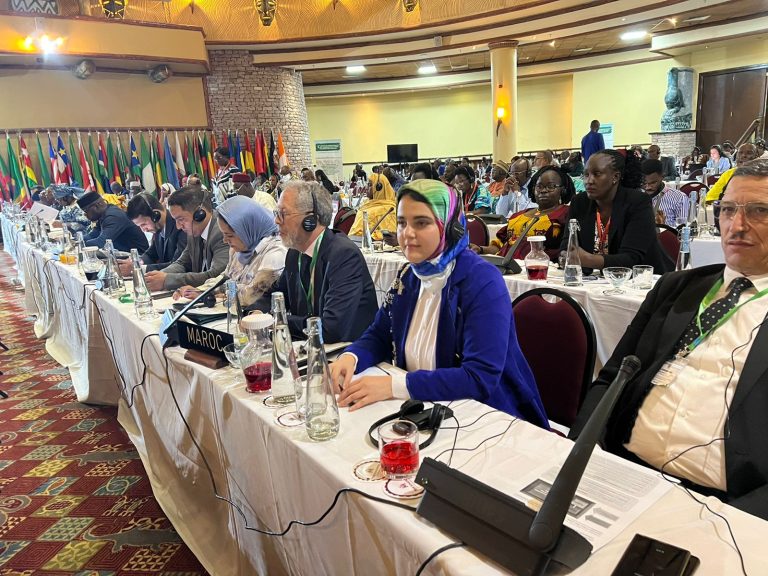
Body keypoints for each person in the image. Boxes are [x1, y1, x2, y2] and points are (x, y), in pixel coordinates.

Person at [570, 160, 768, 520]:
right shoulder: (676, 287)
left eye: (759, 211)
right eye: (727, 210)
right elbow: (610, 379)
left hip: (721, 506)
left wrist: (736, 523)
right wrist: (579, 458)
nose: (737, 225)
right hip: (619, 471)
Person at [329, 179, 548, 425]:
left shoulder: (482, 281)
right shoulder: (409, 276)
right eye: (401, 223)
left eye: (421, 223)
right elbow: (380, 335)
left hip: (487, 416)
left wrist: (395, 386)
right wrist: (352, 357)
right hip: (425, 409)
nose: (407, 233)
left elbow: (479, 378)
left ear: (450, 228)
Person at [252, 180, 378, 343]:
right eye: (276, 213)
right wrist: (256, 313)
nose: (276, 221)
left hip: (348, 351)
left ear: (310, 220)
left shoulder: (344, 255)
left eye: (283, 213)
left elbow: (331, 328)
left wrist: (274, 319)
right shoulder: (294, 253)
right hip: (310, 346)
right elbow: (275, 294)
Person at [560, 149, 674, 274]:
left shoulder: (638, 202)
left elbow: (632, 259)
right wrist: (565, 256)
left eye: (597, 174)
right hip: (593, 279)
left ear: (615, 177)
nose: (589, 181)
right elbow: (567, 245)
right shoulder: (579, 202)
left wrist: (588, 260)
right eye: (586, 175)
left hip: (641, 279)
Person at [175, 196, 286, 307]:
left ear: (246, 230)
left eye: (229, 235)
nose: (225, 240)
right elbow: (225, 277)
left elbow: (251, 296)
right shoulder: (239, 250)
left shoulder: (275, 253)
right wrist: (201, 291)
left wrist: (218, 294)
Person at [474, 166, 572, 261]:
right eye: (539, 186)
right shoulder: (518, 216)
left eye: (551, 186)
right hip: (504, 266)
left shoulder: (566, 213)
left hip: (539, 267)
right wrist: (480, 249)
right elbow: (499, 246)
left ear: (563, 190)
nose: (543, 191)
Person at [144, 187, 229, 291]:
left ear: (200, 214)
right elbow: (182, 263)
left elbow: (216, 276)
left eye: (181, 219)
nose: (178, 226)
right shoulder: (194, 231)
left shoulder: (221, 232)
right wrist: (159, 276)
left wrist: (167, 280)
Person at [122, 192, 187, 274]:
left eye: (144, 224)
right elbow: (151, 254)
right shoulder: (158, 228)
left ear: (155, 215)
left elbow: (177, 265)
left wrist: (140, 268)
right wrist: (136, 262)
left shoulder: (180, 226)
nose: (143, 230)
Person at [76, 192, 149, 253]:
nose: (85, 215)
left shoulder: (113, 216)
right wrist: (76, 240)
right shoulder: (104, 214)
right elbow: (93, 235)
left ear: (98, 205)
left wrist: (79, 244)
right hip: (122, 254)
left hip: (137, 257)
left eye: (86, 211)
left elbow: (101, 243)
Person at [640, 159, 689, 228]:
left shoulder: (679, 198)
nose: (648, 187)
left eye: (653, 183)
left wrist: (663, 227)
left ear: (662, 177)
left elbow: (682, 230)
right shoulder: (635, 198)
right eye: (644, 183)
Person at [348, 172, 398, 240]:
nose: (366, 188)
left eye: (370, 185)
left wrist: (375, 236)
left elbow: (390, 234)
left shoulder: (387, 210)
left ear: (378, 188)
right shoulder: (368, 204)